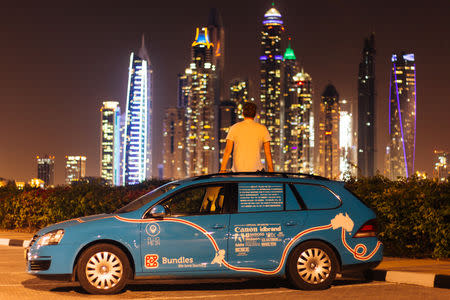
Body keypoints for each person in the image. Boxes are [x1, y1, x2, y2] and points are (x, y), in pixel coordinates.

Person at [220, 102, 274, 173]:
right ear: (255, 114)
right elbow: (268, 152)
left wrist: (223, 169)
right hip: (256, 171)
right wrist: (271, 170)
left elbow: (227, 150)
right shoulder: (262, 129)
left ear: (243, 114)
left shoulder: (234, 128)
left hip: (237, 171)